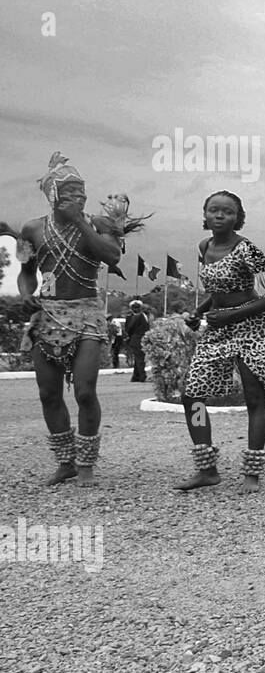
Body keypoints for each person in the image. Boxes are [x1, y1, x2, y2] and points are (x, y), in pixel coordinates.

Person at [16, 153, 126, 486]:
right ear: (52, 195)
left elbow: (111, 255)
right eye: (69, 193)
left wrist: (79, 220)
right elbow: (25, 273)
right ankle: (65, 462)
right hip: (47, 314)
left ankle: (86, 465)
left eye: (81, 192)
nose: (77, 198)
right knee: (48, 394)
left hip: (87, 314)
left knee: (85, 391)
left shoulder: (99, 224)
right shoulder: (32, 229)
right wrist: (26, 295)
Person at [175, 191, 265, 495]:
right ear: (205, 214)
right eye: (214, 210)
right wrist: (198, 313)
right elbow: (218, 290)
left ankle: (252, 472)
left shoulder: (247, 249)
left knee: (254, 398)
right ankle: (206, 469)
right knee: (193, 396)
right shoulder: (204, 247)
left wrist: (231, 315)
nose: (220, 215)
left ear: (239, 217)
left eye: (227, 211)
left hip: (252, 329)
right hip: (217, 330)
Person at [124, 299, 150, 381]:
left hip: (136, 340)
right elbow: (128, 329)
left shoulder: (135, 317)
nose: (136, 309)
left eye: (137, 307)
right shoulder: (137, 317)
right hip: (137, 340)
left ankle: (135, 377)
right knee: (140, 359)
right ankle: (142, 376)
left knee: (138, 358)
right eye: (134, 307)